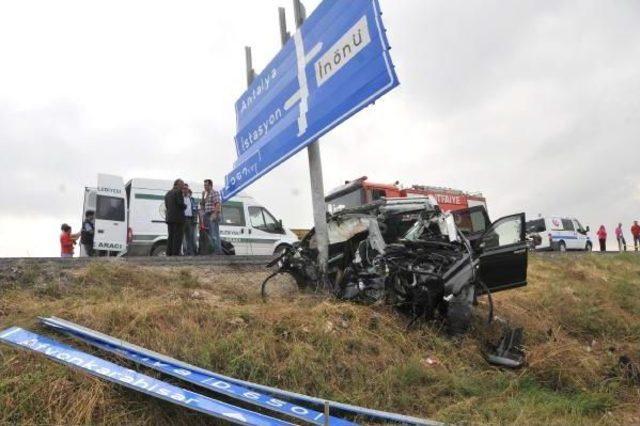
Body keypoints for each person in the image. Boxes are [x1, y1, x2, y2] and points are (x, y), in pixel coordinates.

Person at [164, 179, 186, 256]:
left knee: (170, 236)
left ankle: (169, 253)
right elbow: (180, 204)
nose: (183, 186)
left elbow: (166, 206)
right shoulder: (178, 192)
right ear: (177, 184)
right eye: (182, 184)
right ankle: (175, 253)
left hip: (169, 218)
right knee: (177, 236)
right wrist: (185, 206)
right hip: (178, 219)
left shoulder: (167, 193)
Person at [201, 179, 222, 254]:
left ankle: (217, 251)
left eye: (206, 185)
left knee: (214, 233)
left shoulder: (214, 193)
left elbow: (217, 204)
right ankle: (214, 250)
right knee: (210, 234)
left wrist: (215, 214)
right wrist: (203, 196)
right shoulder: (206, 194)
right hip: (207, 215)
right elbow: (202, 205)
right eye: (204, 185)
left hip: (212, 214)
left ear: (210, 185)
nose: (205, 187)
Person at [182, 184, 198, 256]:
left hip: (190, 219)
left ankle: (190, 252)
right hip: (182, 219)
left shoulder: (192, 199)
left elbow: (195, 209)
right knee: (183, 237)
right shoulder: (180, 198)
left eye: (187, 189)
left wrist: (195, 219)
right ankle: (184, 251)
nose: (186, 190)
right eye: (184, 189)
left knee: (190, 237)